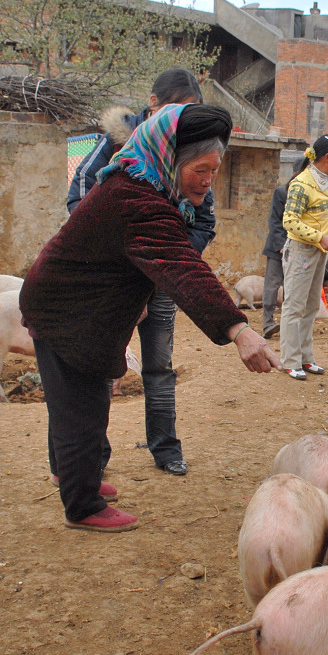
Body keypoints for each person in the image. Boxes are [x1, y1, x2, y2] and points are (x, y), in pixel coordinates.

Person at [21, 104, 282, 532]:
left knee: (86, 402)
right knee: (79, 408)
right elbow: (182, 265)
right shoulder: (137, 196)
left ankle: (76, 476)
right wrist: (239, 329)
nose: (208, 179)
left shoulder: (145, 183)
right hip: (66, 310)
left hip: (80, 307)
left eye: (215, 170)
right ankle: (82, 504)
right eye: (200, 168)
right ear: (172, 158)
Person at [67, 67, 209, 478]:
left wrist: (169, 255)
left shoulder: (187, 154)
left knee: (160, 367)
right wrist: (127, 254)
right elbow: (79, 203)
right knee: (102, 364)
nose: (182, 119)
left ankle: (165, 448)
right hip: (113, 281)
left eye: (190, 112)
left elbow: (203, 221)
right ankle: (92, 456)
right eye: (177, 109)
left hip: (161, 282)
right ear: (154, 104)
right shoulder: (112, 149)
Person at [279, 135, 328, 380]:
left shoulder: (327, 181)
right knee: (294, 306)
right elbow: (290, 221)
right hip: (301, 251)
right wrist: (320, 236)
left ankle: (305, 358)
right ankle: (290, 360)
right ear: (327, 158)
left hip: (318, 251)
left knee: (310, 306)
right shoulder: (301, 184)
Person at [261, 162, 302, 339]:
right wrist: (282, 246)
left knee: (292, 288)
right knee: (272, 285)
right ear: (293, 173)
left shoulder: (304, 195)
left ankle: (288, 324)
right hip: (278, 249)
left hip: (298, 248)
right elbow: (275, 222)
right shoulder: (281, 193)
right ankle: (268, 323)